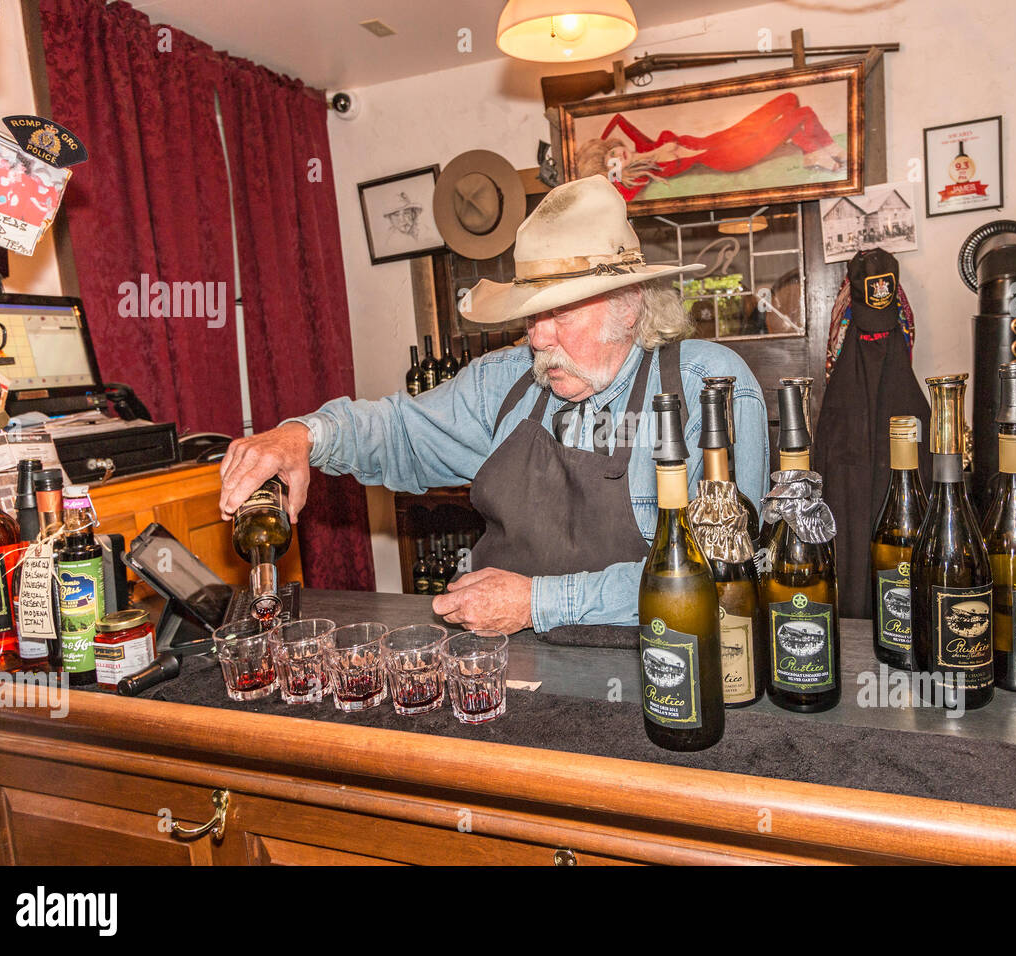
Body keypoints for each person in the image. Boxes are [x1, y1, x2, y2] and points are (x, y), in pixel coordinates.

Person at [218, 175, 768, 635]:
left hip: (662, 662)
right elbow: (400, 431)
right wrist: (305, 435)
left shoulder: (708, 389)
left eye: (562, 314)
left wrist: (539, 603)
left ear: (628, 306)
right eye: (533, 315)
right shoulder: (504, 382)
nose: (538, 338)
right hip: (501, 660)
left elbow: (726, 568)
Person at [576, 91, 846, 202]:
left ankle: (809, 148)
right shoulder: (644, 173)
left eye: (613, 152)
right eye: (612, 162)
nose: (616, 156)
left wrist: (601, 148)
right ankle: (822, 150)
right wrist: (608, 172)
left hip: (726, 136)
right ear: (615, 173)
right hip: (729, 155)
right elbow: (620, 196)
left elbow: (618, 119)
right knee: (802, 114)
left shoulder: (645, 145)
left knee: (790, 99)